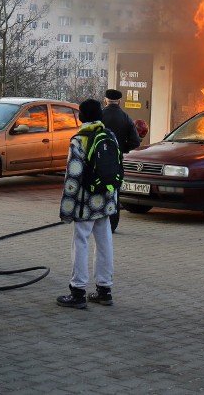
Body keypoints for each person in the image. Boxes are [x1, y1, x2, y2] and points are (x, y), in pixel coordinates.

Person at [56, 98, 118, 309]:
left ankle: (78, 291)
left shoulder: (79, 140)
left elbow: (72, 177)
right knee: (105, 242)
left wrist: (67, 209)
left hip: (85, 202)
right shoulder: (110, 136)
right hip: (106, 200)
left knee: (81, 242)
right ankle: (104, 290)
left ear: (82, 116)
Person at [100, 89, 141, 232]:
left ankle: (97, 220)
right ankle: (112, 225)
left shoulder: (99, 116)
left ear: (105, 100)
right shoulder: (126, 117)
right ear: (119, 101)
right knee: (114, 190)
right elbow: (135, 142)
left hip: (98, 161)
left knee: (98, 188)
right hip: (116, 161)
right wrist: (122, 148)